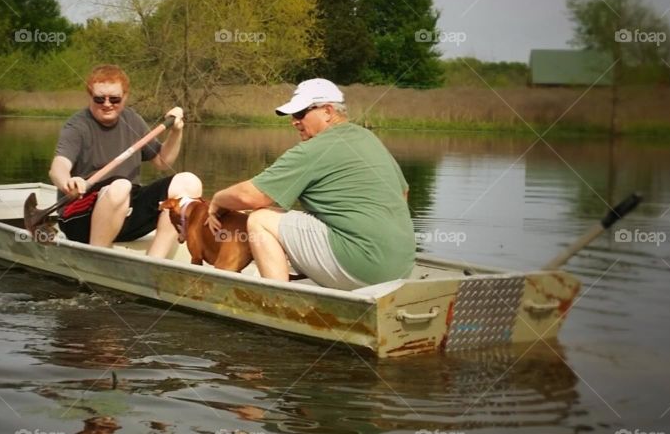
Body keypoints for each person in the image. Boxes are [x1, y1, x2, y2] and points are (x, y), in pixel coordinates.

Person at [206, 78, 414, 289]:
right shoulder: (367, 137)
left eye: (300, 114)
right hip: (402, 267)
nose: (294, 121)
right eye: (293, 115)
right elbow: (403, 194)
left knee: (260, 219)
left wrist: (217, 200)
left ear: (327, 111)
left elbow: (249, 196)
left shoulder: (312, 149)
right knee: (283, 214)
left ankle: (277, 297)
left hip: (363, 268)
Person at [48, 65, 201, 257]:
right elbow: (58, 167)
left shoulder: (133, 120)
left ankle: (154, 263)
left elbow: (162, 162)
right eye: (99, 98)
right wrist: (68, 182)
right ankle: (96, 257)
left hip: (125, 212)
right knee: (120, 185)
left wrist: (176, 132)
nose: (107, 104)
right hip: (80, 218)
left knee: (189, 181)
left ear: (125, 97)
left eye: (114, 99)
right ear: (90, 96)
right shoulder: (77, 125)